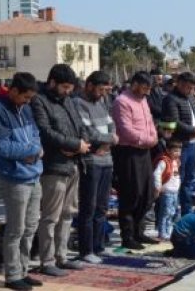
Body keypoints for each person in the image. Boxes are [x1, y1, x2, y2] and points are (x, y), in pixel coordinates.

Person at [31, 64, 89, 276]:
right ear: (52, 82)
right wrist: (73, 145)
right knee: (50, 216)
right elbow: (45, 131)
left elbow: (80, 126)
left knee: (67, 215)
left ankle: (61, 257)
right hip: (53, 167)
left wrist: (81, 143)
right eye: (64, 87)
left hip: (73, 165)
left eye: (70, 88)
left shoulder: (69, 101)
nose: (68, 91)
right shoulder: (39, 101)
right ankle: (47, 261)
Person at [0, 72, 44, 291]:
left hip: (33, 174)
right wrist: (32, 150)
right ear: (13, 91)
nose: (27, 102)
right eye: (25, 97)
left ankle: (23, 270)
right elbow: (2, 147)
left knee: (30, 227)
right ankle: (12, 275)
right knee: (16, 229)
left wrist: (36, 150)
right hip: (14, 178)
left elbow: (36, 136)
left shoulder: (26, 109)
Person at [74, 70, 118, 264]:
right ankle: (86, 249)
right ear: (90, 85)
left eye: (105, 90)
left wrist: (109, 140)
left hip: (107, 160)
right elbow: (87, 133)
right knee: (88, 208)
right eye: (100, 89)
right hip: (91, 163)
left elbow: (112, 127)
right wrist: (108, 139)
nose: (103, 94)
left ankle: (99, 247)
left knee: (102, 207)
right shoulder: (79, 104)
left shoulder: (102, 102)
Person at [112, 71, 158, 250]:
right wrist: (148, 140)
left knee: (147, 193)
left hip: (144, 152)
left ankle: (140, 231)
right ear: (135, 84)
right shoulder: (122, 101)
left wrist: (153, 137)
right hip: (128, 153)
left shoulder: (144, 100)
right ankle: (128, 235)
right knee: (131, 194)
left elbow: (150, 123)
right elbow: (125, 130)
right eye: (145, 88)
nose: (147, 92)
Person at [162, 72, 195, 216]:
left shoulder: (192, 98)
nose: (190, 90)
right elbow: (174, 121)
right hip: (180, 145)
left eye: (192, 87)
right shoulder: (170, 99)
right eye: (187, 87)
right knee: (177, 180)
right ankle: (173, 213)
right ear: (179, 84)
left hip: (193, 143)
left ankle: (186, 211)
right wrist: (193, 130)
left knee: (189, 180)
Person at [153, 140, 181, 240]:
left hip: (175, 192)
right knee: (165, 213)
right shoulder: (164, 161)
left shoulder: (175, 162)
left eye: (179, 151)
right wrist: (158, 186)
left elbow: (176, 176)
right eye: (175, 151)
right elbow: (156, 174)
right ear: (168, 151)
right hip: (167, 192)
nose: (177, 153)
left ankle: (168, 231)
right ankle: (162, 232)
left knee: (173, 212)